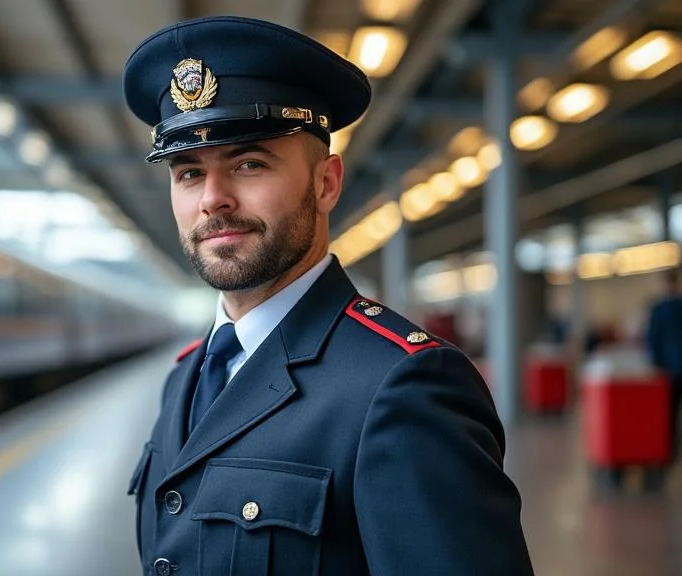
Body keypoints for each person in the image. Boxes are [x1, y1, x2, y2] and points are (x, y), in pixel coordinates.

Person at [123, 15, 534, 576]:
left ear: (326, 183)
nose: (212, 199)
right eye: (188, 172)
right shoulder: (186, 377)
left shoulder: (403, 386)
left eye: (249, 163)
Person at [646, 269, 682, 458]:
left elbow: (652, 341)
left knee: (669, 413)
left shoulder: (659, 309)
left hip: (670, 370)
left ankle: (670, 450)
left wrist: (655, 365)